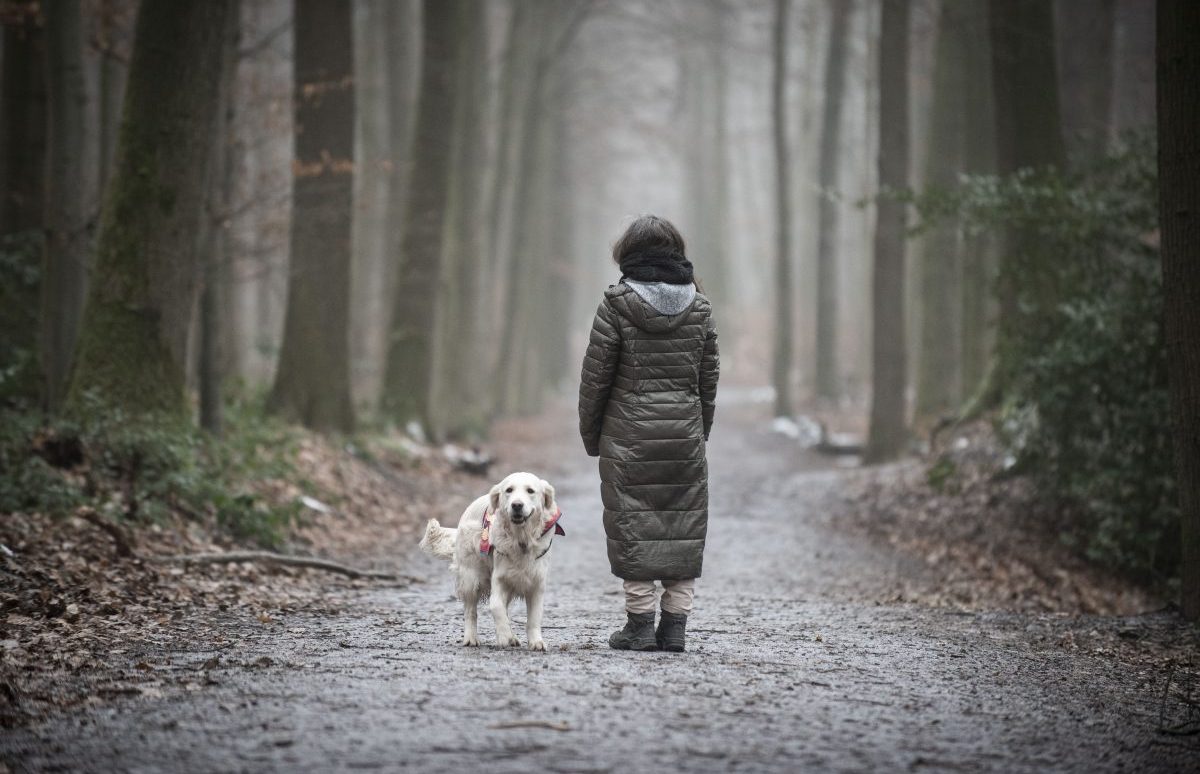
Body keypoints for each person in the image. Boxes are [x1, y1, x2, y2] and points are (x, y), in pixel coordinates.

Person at [578, 214, 719, 653]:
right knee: (682, 525)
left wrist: (592, 434)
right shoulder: (700, 306)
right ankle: (675, 627)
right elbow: (707, 379)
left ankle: (639, 626)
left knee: (632, 525)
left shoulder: (616, 304)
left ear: (627, 254)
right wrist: (699, 431)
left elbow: (595, 378)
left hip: (628, 437)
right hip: (684, 436)